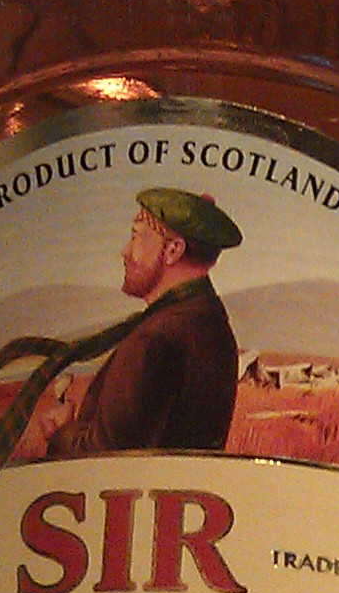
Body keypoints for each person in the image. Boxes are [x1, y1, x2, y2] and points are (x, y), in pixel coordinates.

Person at [16, 189, 243, 461]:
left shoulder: (154, 338)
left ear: (172, 251)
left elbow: (107, 459)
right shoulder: (210, 321)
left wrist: (62, 433)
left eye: (135, 237)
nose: (125, 252)